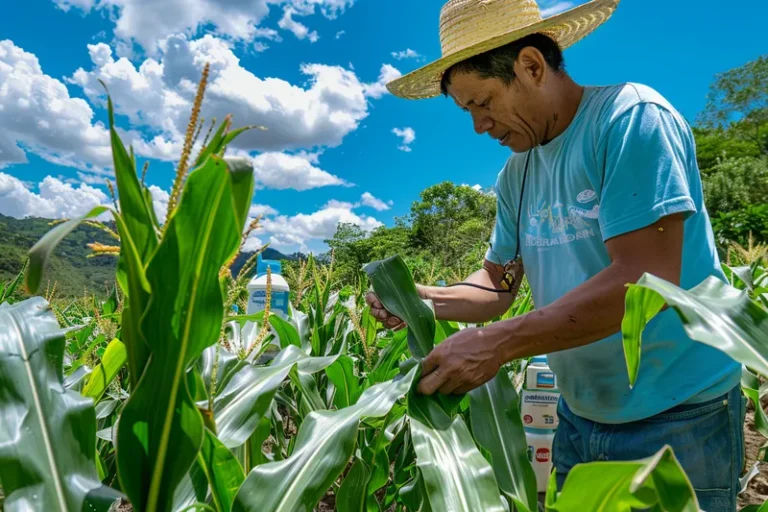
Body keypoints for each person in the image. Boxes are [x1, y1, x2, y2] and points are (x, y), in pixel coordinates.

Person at [370, 0, 746, 509]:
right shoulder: (516, 174)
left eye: (483, 102)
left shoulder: (630, 120)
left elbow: (645, 282)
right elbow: (497, 286)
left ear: (531, 66)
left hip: (678, 417)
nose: (480, 126)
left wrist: (497, 345)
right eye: (468, 112)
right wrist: (421, 299)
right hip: (580, 415)